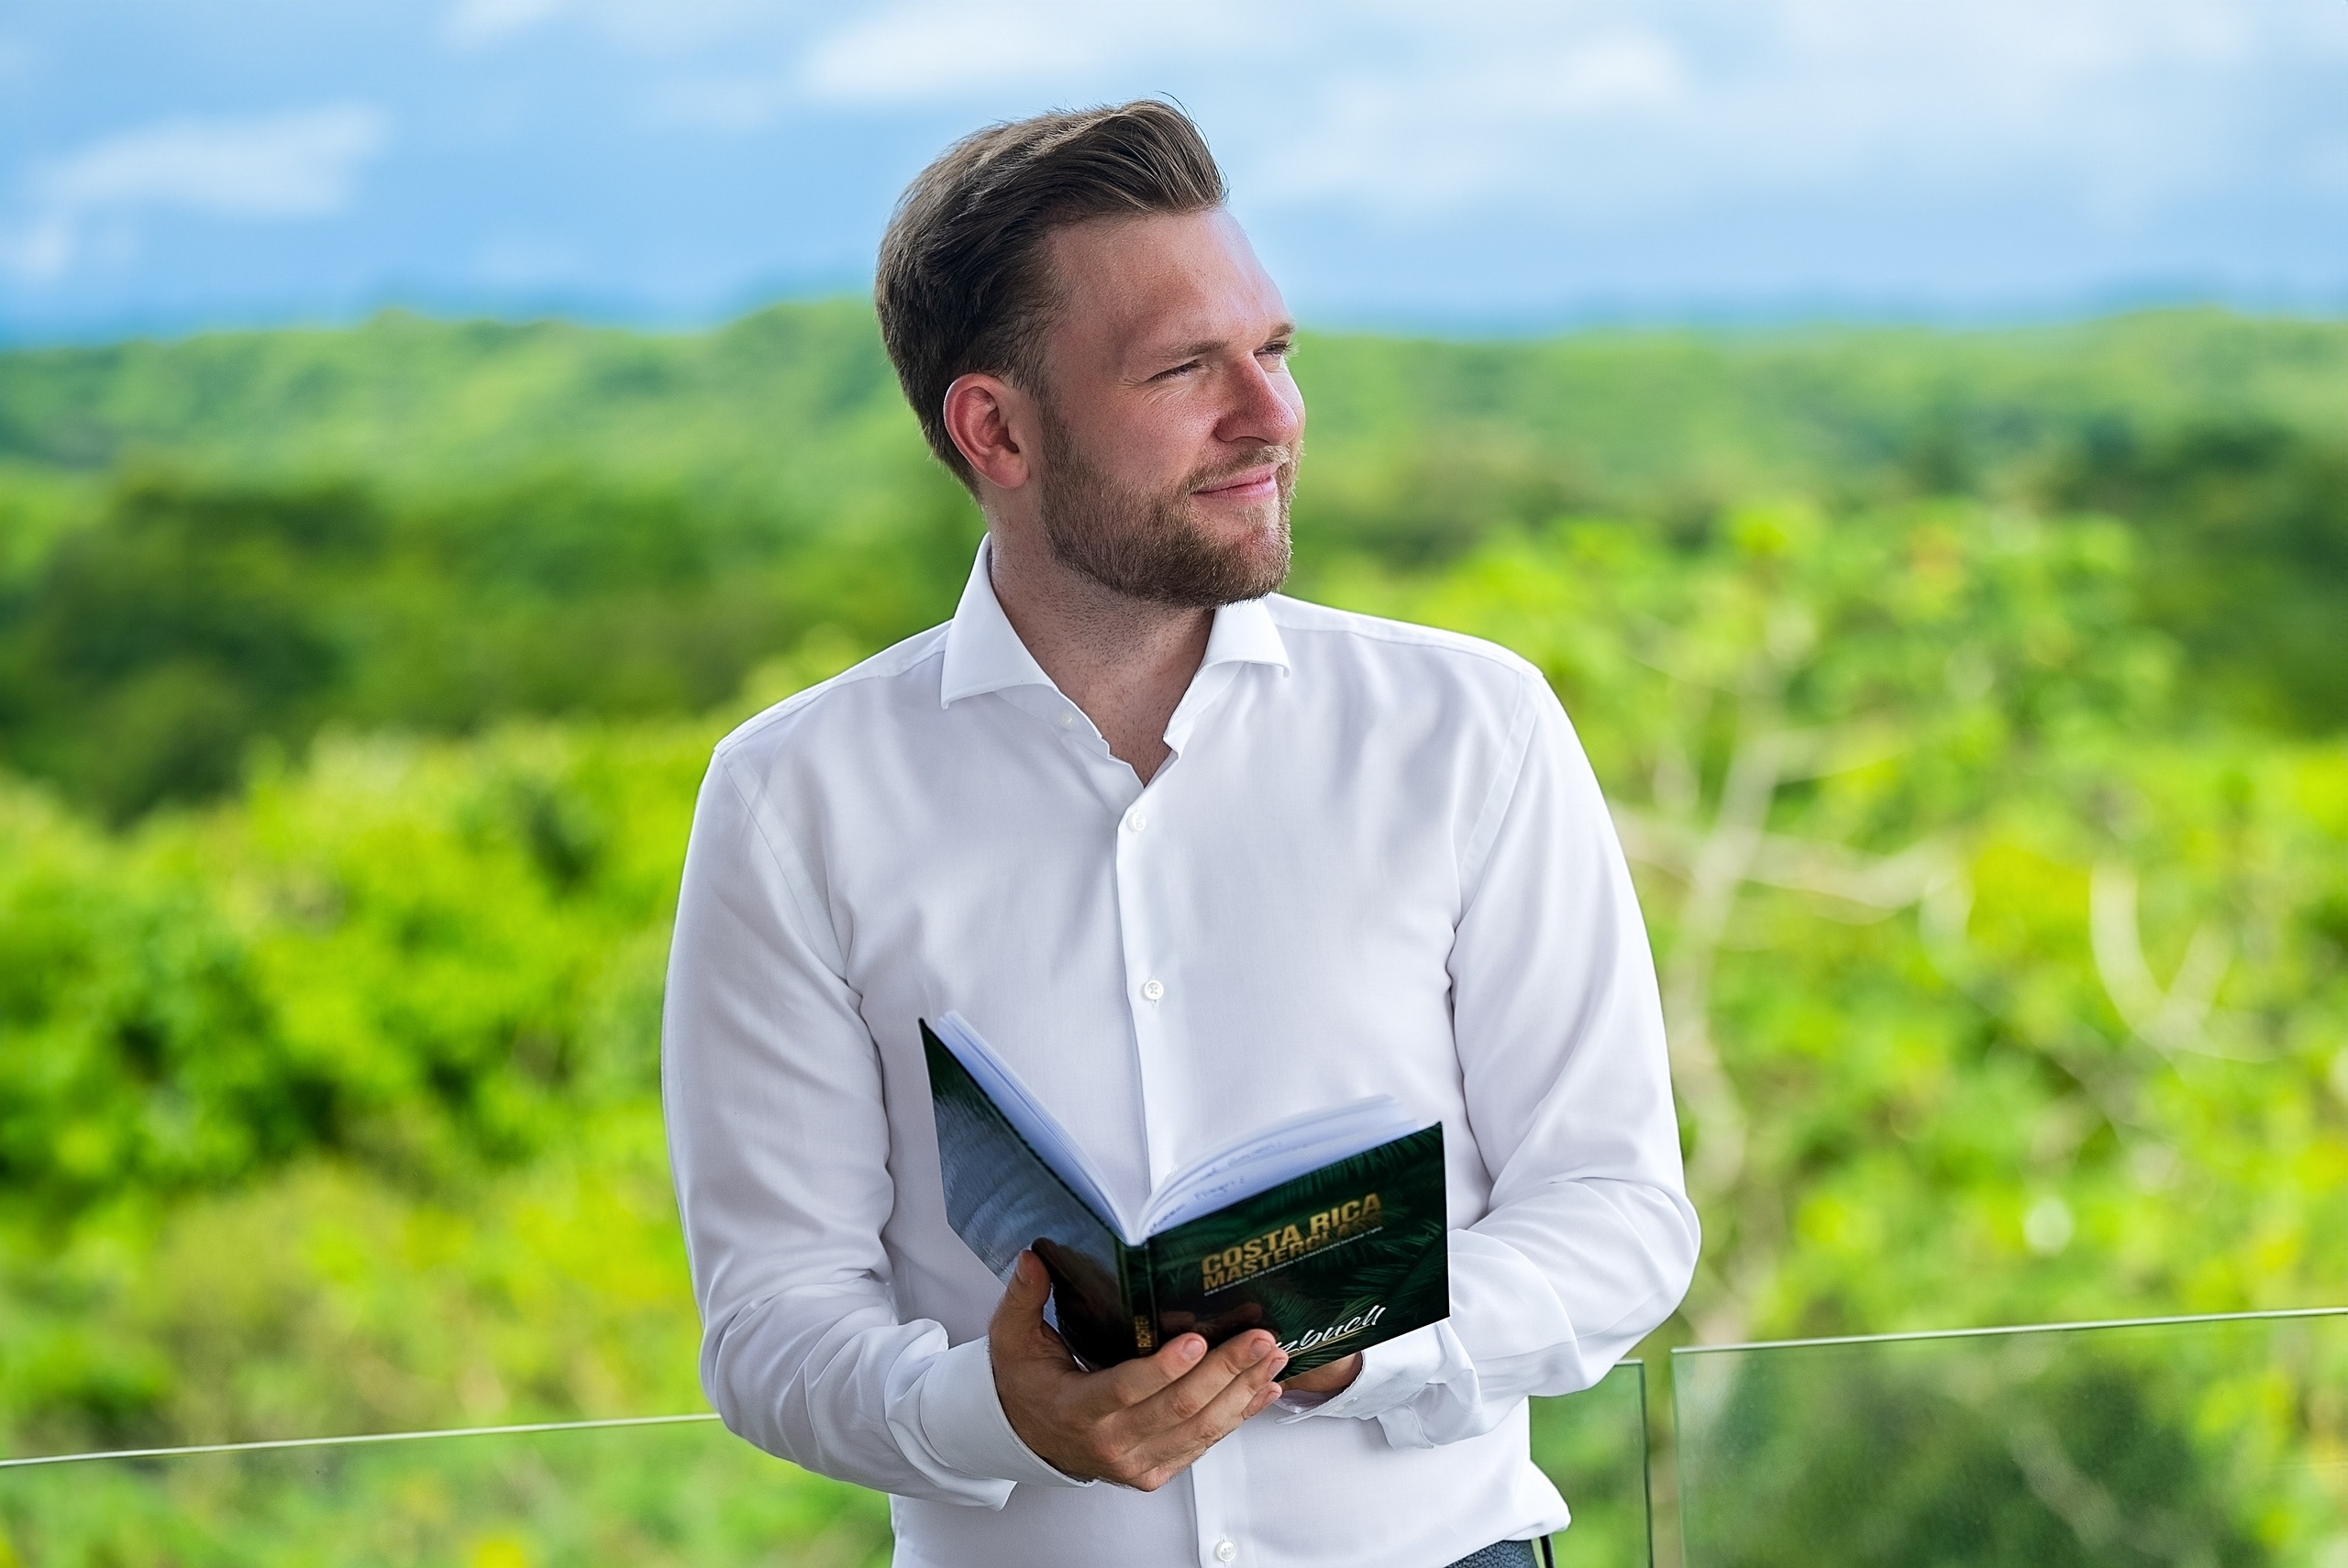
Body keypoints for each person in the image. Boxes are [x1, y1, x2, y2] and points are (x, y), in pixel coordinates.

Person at [661, 101, 1698, 1568]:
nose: (1271, 417)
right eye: (1184, 370)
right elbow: (769, 1322)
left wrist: (1355, 1341)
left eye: (1271, 352)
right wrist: (988, 1409)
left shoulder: (1472, 728)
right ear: (995, 427)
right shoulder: (792, 795)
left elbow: (1621, 1219)